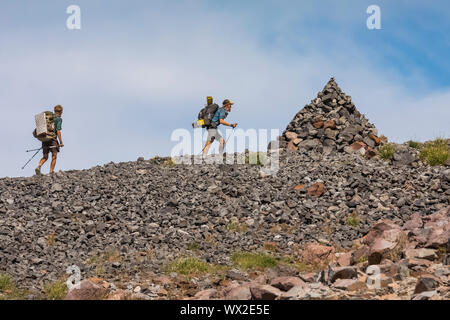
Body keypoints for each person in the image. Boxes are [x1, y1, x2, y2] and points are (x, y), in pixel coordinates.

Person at [35, 105, 64, 175]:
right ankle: (51, 171)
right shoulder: (58, 119)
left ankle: (39, 166)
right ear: (61, 112)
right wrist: (61, 142)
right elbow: (58, 131)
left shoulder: (50, 117)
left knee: (45, 157)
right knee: (54, 156)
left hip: (45, 138)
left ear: (54, 110)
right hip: (52, 139)